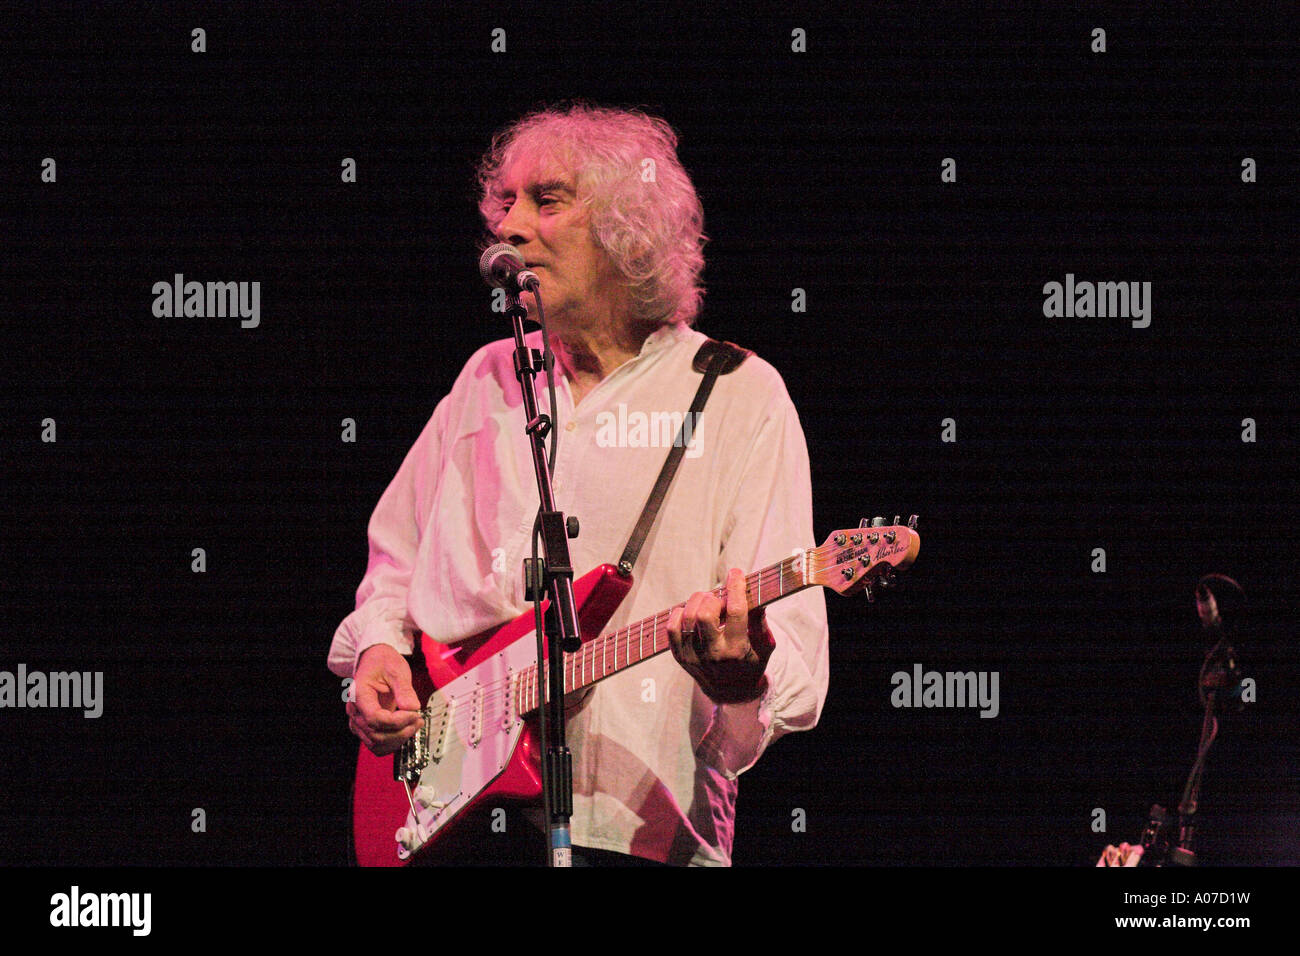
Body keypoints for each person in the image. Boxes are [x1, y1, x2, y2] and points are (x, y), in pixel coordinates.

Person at [329, 102, 829, 866]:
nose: (510, 225)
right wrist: (377, 656)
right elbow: (393, 563)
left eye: (547, 200)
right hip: (441, 826)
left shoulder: (737, 394)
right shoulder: (486, 380)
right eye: (507, 203)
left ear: (629, 229)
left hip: (640, 839)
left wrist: (743, 674)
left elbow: (796, 652)